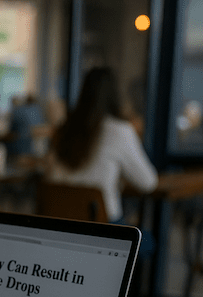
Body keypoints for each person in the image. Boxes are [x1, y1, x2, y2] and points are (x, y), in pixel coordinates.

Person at [49, 67, 157, 224]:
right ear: (114, 95)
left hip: (61, 225)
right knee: (149, 242)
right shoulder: (120, 131)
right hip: (102, 228)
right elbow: (148, 183)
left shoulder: (64, 128)